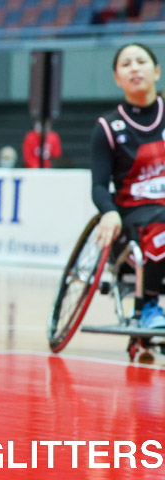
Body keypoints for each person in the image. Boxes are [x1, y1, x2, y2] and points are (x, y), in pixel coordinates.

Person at [92, 43, 165, 328]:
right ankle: (148, 306)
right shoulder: (107, 127)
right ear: (117, 78)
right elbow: (99, 185)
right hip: (134, 215)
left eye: (141, 61)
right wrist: (108, 211)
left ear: (156, 71)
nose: (134, 67)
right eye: (126, 64)